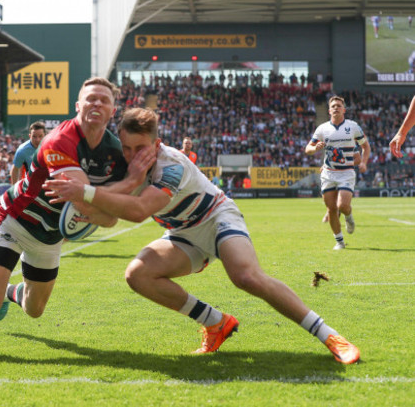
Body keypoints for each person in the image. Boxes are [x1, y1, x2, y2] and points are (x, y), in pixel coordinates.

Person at [44, 107, 360, 364]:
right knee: (137, 275)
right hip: (183, 232)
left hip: (216, 216)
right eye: (126, 147)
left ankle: (330, 335)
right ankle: (215, 322)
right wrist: (83, 215)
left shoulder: (171, 166)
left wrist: (86, 193)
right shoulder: (122, 163)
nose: (131, 155)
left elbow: (139, 210)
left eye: (140, 148)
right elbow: (113, 215)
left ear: (156, 144)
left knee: (246, 276)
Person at [0, 77, 148, 353]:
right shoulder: (60, 139)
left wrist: (110, 204)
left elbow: (110, 218)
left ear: (113, 111)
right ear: (78, 105)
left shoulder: (115, 152)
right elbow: (83, 200)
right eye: (91, 98)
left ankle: (11, 292)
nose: (97, 103)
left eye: (104, 100)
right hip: (14, 219)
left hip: (49, 235)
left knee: (34, 310)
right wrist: (124, 190)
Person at [305, 96, 370, 250]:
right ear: (329, 110)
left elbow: (365, 146)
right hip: (328, 173)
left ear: (344, 110)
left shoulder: (352, 126)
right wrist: (315, 148)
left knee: (343, 205)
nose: (336, 108)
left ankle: (349, 216)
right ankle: (339, 241)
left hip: (346, 173)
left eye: (339, 105)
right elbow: (308, 149)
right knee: (331, 209)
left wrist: (363, 162)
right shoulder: (322, 129)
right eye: (333, 106)